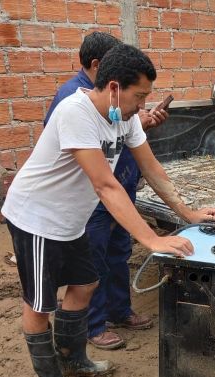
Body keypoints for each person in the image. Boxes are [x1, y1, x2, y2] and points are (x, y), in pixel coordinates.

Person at [2, 43, 215, 377]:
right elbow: (105, 185)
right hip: (37, 217)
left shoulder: (125, 116)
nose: (143, 104)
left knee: (85, 284)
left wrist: (187, 213)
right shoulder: (76, 111)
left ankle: (72, 359)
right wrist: (151, 239)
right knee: (40, 303)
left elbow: (151, 168)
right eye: (140, 95)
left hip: (70, 220)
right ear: (115, 87)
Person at [45, 32, 169, 350]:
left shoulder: (117, 103)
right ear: (100, 66)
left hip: (120, 187)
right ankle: (94, 325)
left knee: (118, 253)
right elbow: (94, 170)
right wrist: (153, 238)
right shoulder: (73, 100)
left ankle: (119, 310)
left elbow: (126, 136)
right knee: (92, 263)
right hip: (94, 197)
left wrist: (139, 121)